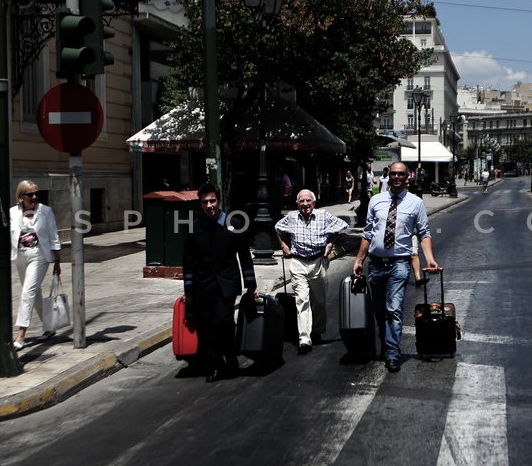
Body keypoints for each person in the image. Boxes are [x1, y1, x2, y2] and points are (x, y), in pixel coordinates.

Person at [353, 161, 440, 372]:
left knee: (394, 309)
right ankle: (386, 343)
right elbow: (368, 234)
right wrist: (359, 260)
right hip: (375, 264)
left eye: (401, 174)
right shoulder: (376, 201)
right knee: (379, 310)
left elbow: (424, 233)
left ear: (407, 176)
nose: (397, 177)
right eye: (394, 174)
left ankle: (392, 353)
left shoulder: (416, 203)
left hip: (399, 264)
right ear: (388, 175)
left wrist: (429, 258)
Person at [183, 182, 258, 382]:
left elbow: (244, 256)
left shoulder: (232, 224)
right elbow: (188, 262)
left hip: (227, 283)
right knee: (206, 326)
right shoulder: (195, 227)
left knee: (223, 321)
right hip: (203, 286)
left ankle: (231, 358)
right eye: (205, 202)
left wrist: (251, 284)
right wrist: (188, 291)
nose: (209, 205)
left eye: (212, 201)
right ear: (200, 204)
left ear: (219, 200)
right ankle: (214, 365)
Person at [275, 189, 349, 354]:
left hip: (318, 263)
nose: (305, 204)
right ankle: (304, 339)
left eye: (308, 201)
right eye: (301, 201)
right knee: (302, 300)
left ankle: (316, 331)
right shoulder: (292, 217)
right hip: (298, 262)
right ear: (297, 204)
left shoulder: (323, 216)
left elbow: (344, 227)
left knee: (319, 301)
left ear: (313, 203)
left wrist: (331, 243)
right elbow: (277, 227)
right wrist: (283, 245)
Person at [9, 180, 62, 350]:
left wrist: (57, 260)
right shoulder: (13, 212)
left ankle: (21, 334)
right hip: (21, 256)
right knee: (34, 292)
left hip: (39, 255)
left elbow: (54, 235)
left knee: (27, 292)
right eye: (30, 194)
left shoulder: (45, 211)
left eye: (36, 193)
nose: (34, 197)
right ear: (21, 196)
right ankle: (49, 326)